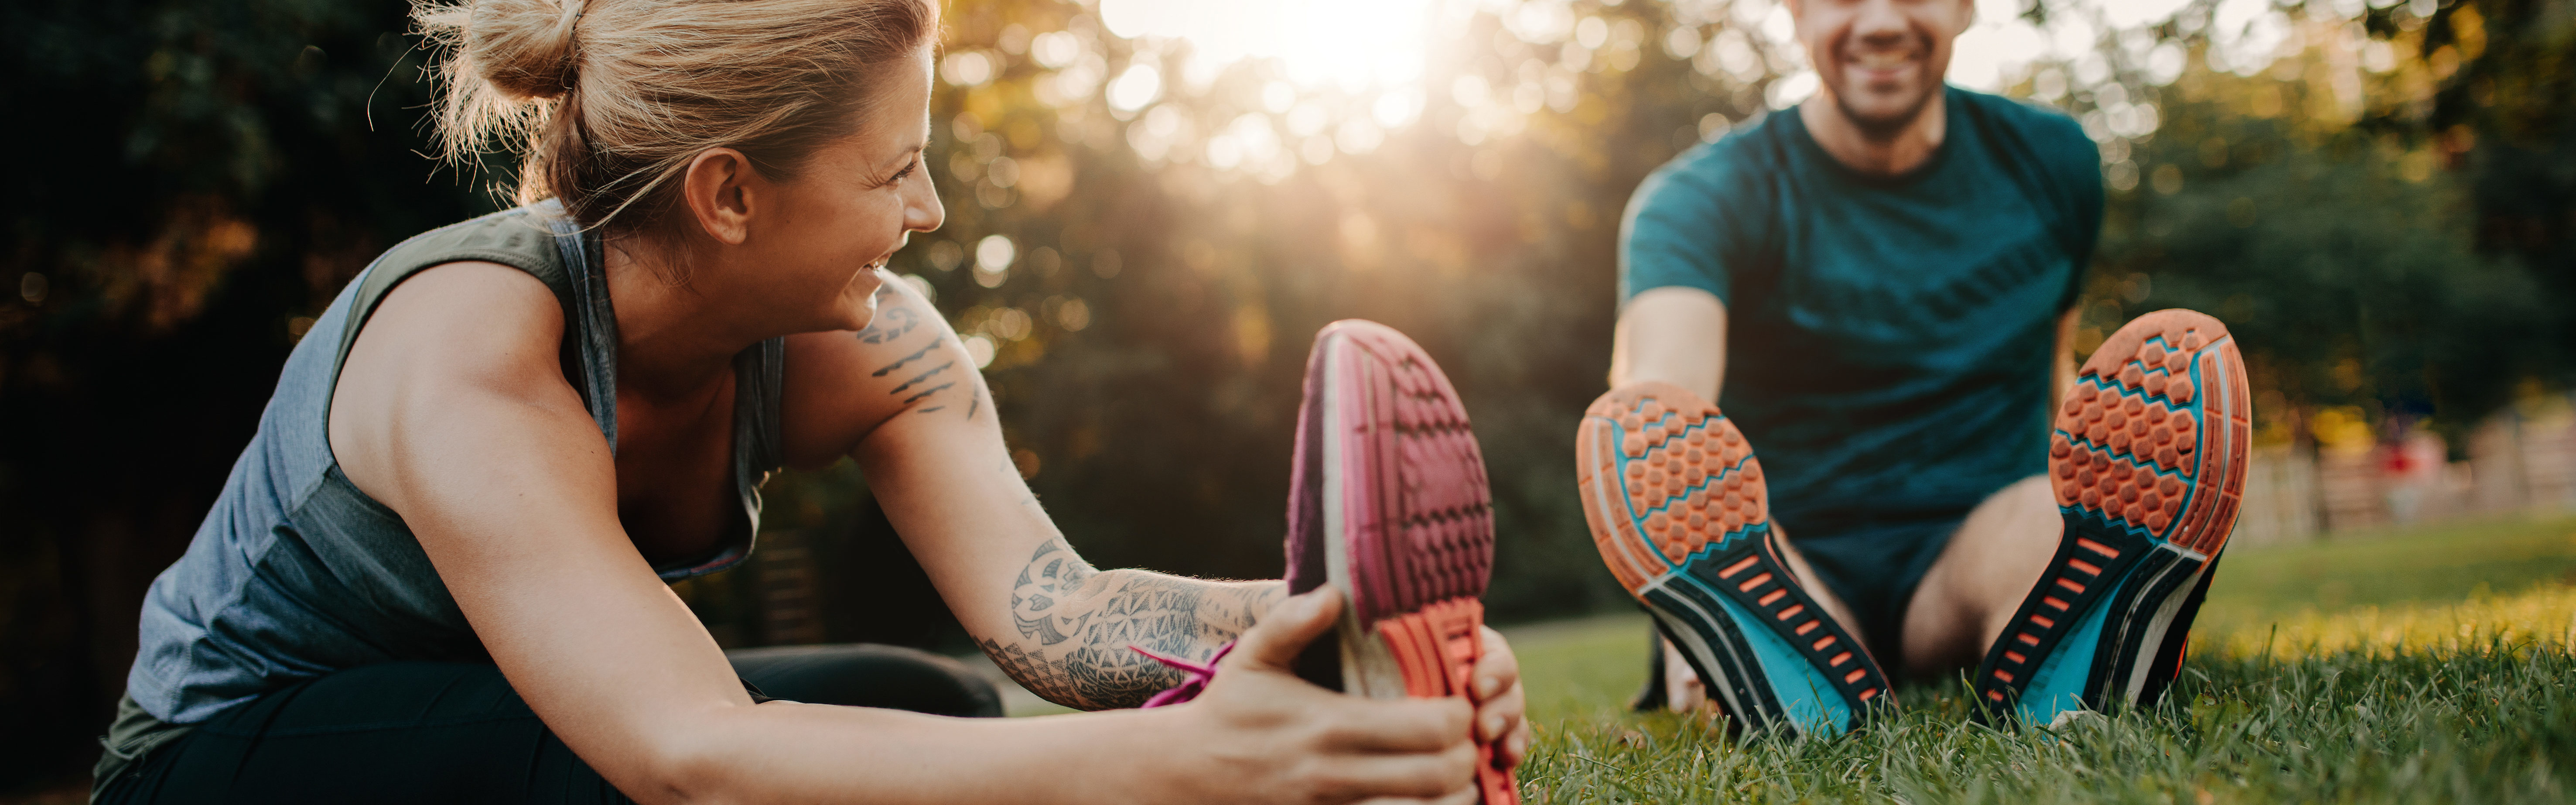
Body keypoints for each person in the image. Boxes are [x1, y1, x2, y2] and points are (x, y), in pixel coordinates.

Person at [89, 0, 1528, 801]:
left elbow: (1064, 622)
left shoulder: (867, 343)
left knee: (930, 707)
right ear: (728, 193)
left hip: (483, 731)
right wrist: (1176, 764)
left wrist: (1333, 639)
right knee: (644, 781)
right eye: (891, 167)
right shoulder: (474, 342)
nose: (933, 205)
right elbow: (690, 750)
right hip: (223, 762)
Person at [1573, 0, 2251, 736]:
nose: (1880, 22)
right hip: (1791, 551)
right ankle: (1738, 634)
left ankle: (2086, 628)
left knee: (2045, 527)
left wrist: (2107, 478)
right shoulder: (1699, 199)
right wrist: (1674, 550)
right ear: (1795, 12)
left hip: (1976, 542)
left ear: (1964, 6)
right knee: (1773, 588)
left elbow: (2052, 362)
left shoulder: (2052, 162)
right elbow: (1660, 407)